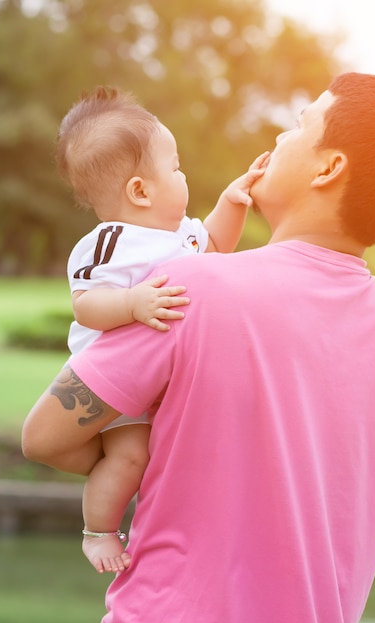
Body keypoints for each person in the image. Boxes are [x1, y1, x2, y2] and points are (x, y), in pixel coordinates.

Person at [22, 73, 375, 623]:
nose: (279, 139)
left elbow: (45, 436)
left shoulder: (192, 288)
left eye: (298, 126)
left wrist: (142, 462)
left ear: (329, 167)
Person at [52, 86, 266, 575]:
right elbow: (86, 306)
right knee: (129, 457)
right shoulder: (109, 244)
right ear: (140, 191)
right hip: (116, 386)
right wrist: (132, 303)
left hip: (163, 385)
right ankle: (99, 531)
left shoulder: (179, 236)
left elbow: (213, 245)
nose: (182, 174)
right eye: (175, 167)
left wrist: (234, 202)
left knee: (175, 455)